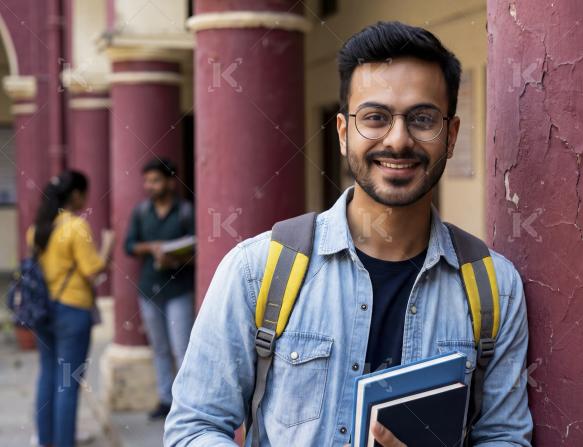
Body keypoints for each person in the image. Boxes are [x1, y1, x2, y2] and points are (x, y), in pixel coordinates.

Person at [165, 21, 532, 446]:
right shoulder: (257, 271)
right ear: (343, 133)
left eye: (422, 118)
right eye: (375, 118)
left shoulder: (495, 288)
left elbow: (504, 436)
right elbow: (194, 427)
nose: (398, 141)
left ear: (450, 136)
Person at [30, 170, 114, 447]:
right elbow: (92, 270)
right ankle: (65, 441)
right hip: (72, 310)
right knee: (67, 381)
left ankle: (46, 439)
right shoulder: (76, 227)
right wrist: (107, 248)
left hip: (42, 310)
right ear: (76, 194)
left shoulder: (38, 228)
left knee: (48, 375)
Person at [124, 158, 195, 420]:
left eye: (155, 180)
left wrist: (174, 257)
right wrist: (152, 247)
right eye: (147, 181)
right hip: (149, 289)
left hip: (179, 289)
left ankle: (187, 404)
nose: (149, 186)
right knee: (160, 348)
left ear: (169, 181)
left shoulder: (186, 211)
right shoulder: (141, 211)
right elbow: (129, 245)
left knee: (182, 347)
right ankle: (166, 400)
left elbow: (199, 248)